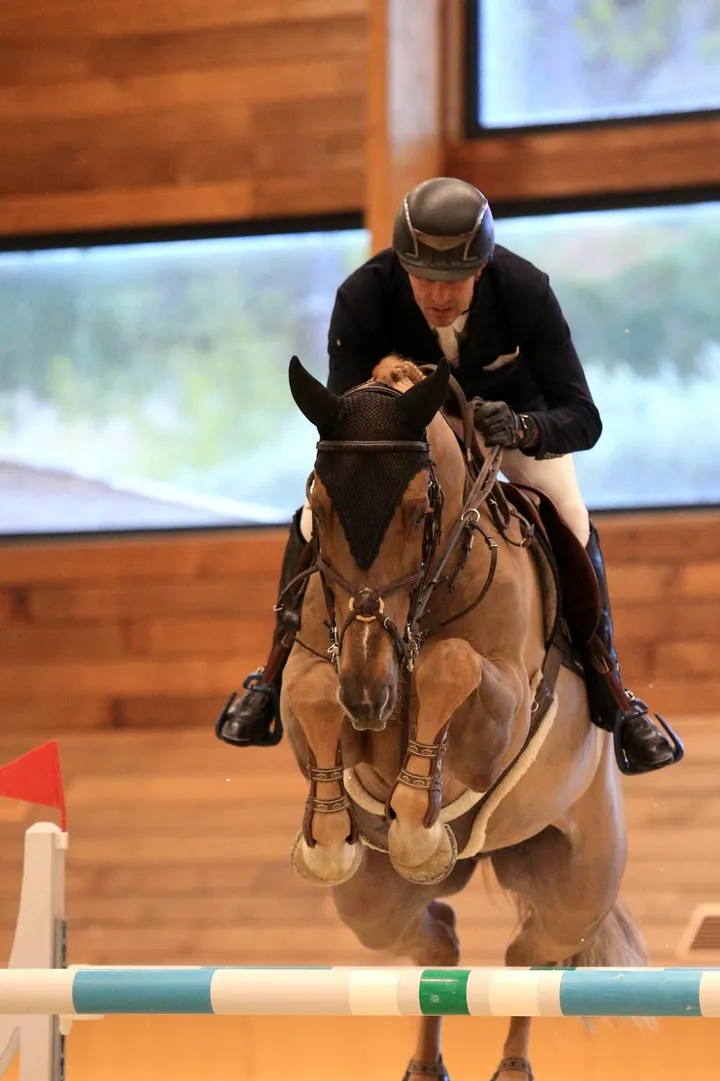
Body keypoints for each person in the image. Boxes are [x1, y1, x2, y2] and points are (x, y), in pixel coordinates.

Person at [216, 176, 679, 773]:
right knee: (311, 515)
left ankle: (611, 685)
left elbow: (582, 417)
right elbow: (341, 420)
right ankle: (271, 676)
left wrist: (523, 427)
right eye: (423, 278)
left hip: (505, 434)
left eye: (454, 281)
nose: (437, 295)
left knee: (570, 513)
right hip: (403, 445)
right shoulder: (363, 295)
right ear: (401, 265)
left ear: (483, 268)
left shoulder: (526, 289)